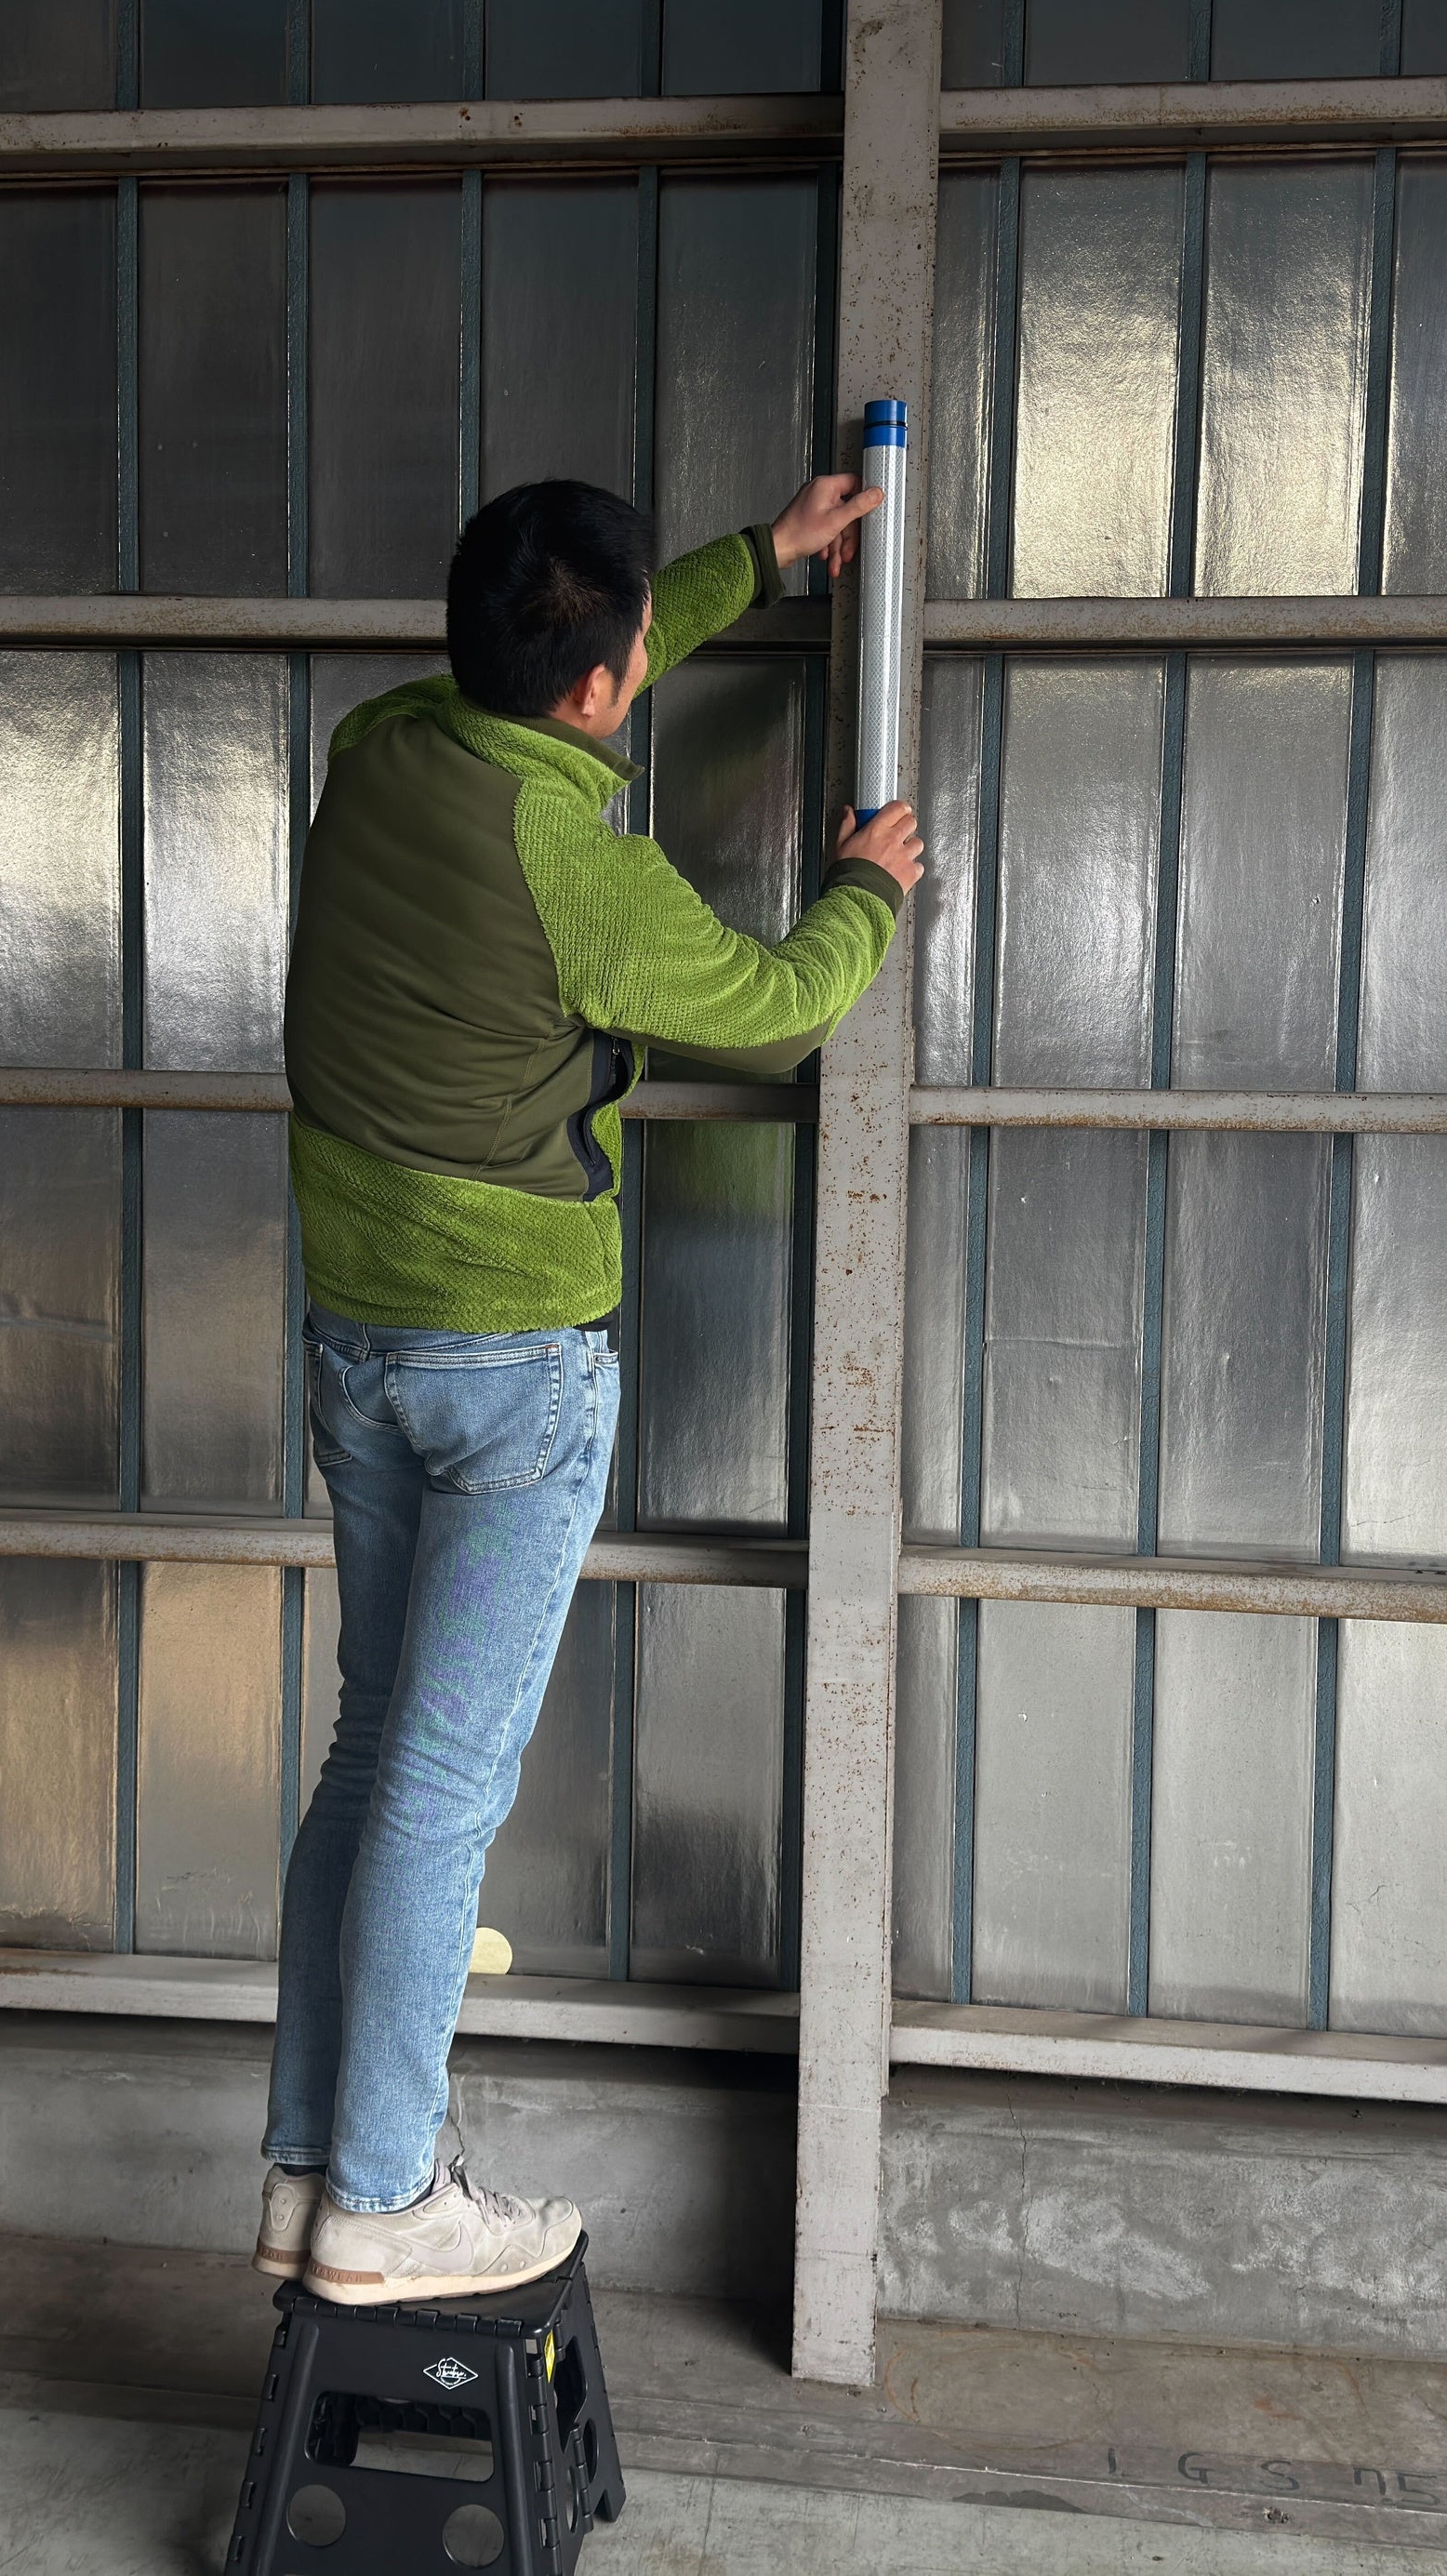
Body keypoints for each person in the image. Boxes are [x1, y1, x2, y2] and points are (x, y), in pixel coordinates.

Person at [255, 471, 925, 2305]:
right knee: (440, 1787)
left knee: (370, 1754)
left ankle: (310, 2165)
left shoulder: (383, 745)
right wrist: (866, 894)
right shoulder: (583, 871)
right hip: (509, 1377)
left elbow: (575, 662)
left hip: (361, 1339)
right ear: (601, 691)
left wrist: (758, 562)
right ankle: (386, 2198)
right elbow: (780, 1007)